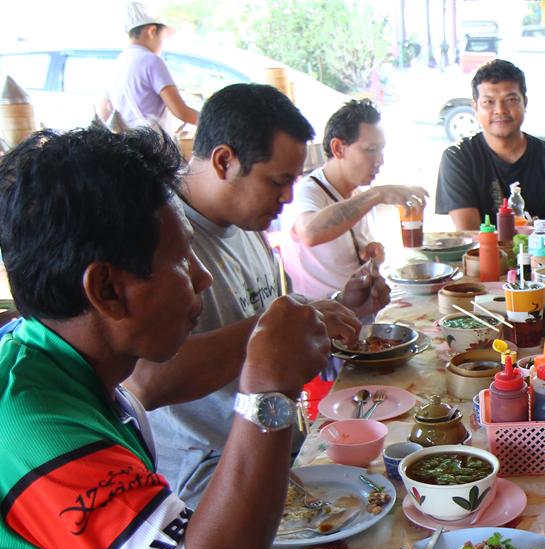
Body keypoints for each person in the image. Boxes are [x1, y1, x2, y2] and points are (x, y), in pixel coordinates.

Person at [0, 126, 330, 549]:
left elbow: (159, 381)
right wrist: (268, 385)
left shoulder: (54, 356)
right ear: (105, 289)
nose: (197, 280)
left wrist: (269, 348)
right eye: (179, 262)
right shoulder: (30, 428)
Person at [125, 84, 372, 511]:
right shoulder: (161, 235)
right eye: (278, 181)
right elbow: (144, 383)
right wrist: (267, 332)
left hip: (280, 448)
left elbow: (276, 317)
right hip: (210, 478)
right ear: (224, 161)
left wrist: (342, 305)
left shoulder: (248, 222)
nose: (290, 197)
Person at [280, 98, 425, 311]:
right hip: (322, 325)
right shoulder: (308, 190)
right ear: (338, 148)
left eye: (381, 150)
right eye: (371, 150)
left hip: (360, 315)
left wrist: (369, 254)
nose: (380, 160)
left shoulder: (356, 193)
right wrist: (377, 194)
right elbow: (310, 232)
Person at [435, 58, 545, 229]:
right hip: (484, 255)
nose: (500, 110)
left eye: (511, 100)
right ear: (475, 107)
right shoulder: (458, 157)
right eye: (488, 102)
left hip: (544, 255)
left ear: (525, 103)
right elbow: (470, 234)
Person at [100, 1, 200, 130]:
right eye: (163, 37)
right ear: (152, 31)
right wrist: (213, 120)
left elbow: (104, 111)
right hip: (149, 145)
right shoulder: (152, 61)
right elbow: (181, 112)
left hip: (124, 145)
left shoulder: (116, 64)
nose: (163, 44)